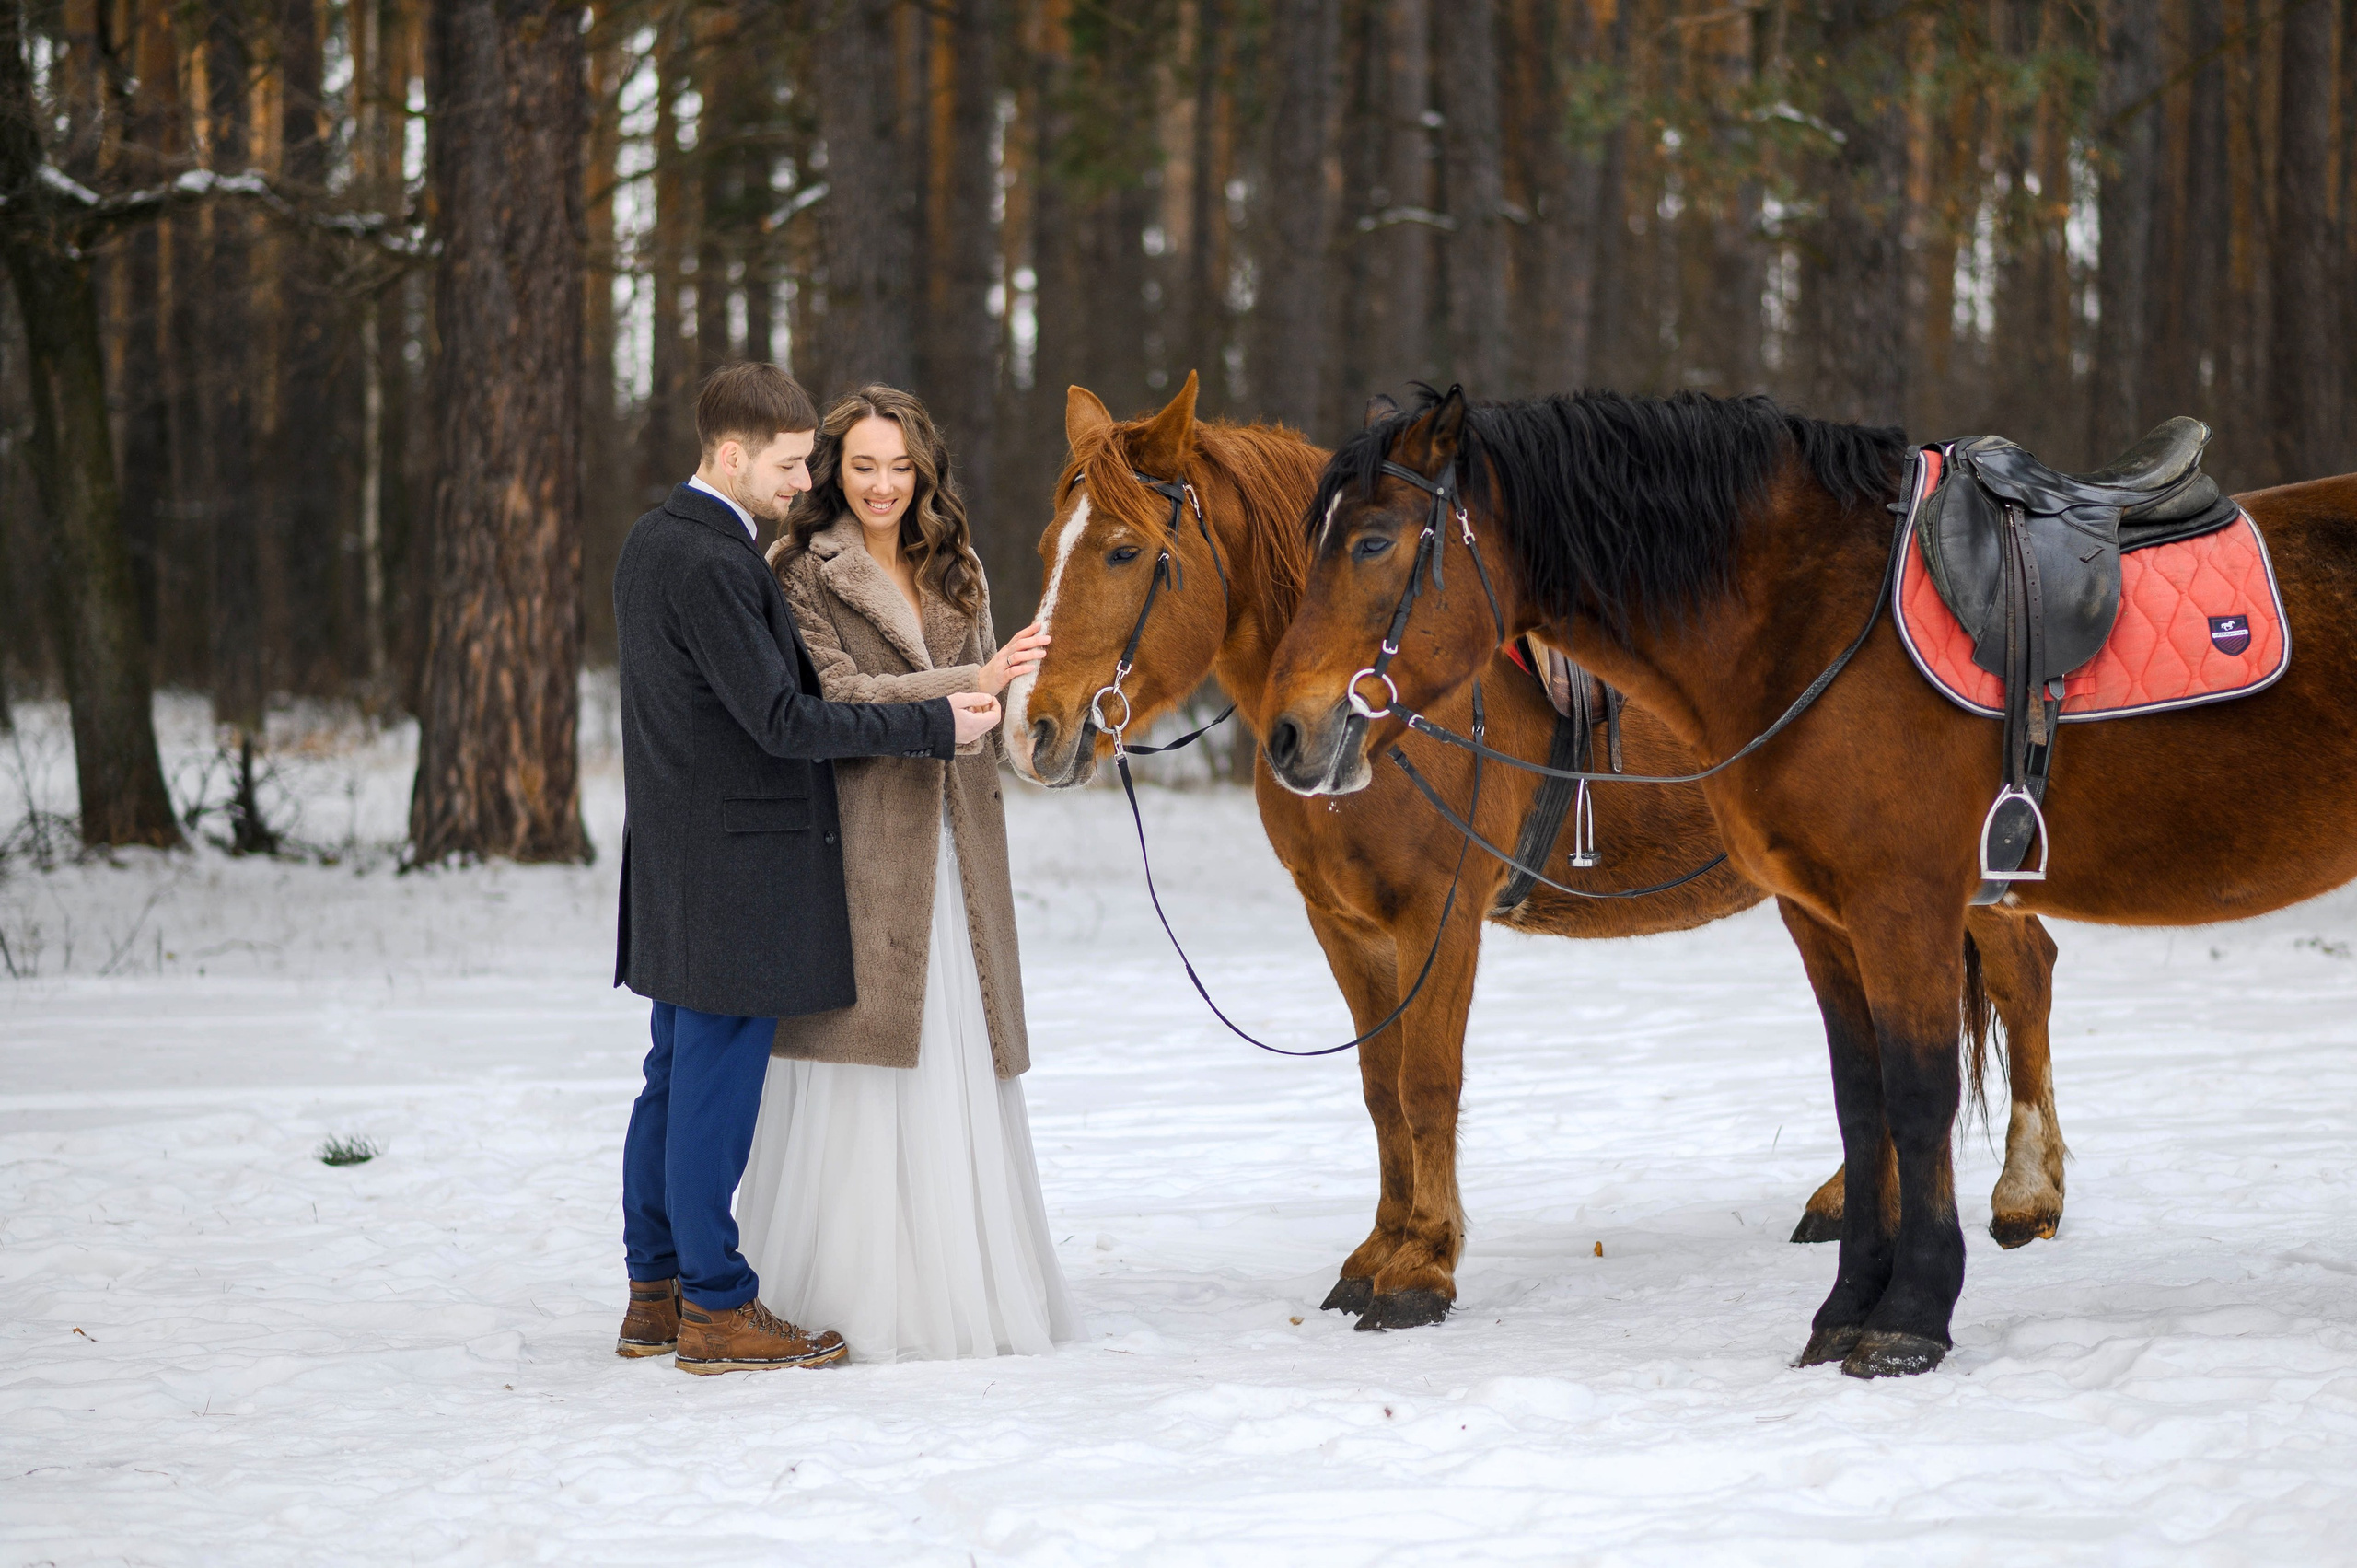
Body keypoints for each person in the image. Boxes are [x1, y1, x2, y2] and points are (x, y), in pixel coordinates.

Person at [610, 364, 1004, 1375]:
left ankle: (653, 1290)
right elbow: (782, 721)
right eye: (792, 464)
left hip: (678, 856)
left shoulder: (656, 541)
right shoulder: (713, 562)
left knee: (669, 1079)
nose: (803, 483)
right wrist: (936, 722)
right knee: (709, 1092)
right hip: (737, 869)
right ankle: (715, 1307)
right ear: (733, 454)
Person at [734, 385, 1083, 1362]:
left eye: (900, 467)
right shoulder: (798, 567)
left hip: (962, 835)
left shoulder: (956, 564)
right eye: (862, 466)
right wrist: (973, 683)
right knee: (868, 1050)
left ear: (924, 471)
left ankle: (965, 1287)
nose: (883, 485)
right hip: (864, 840)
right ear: (832, 471)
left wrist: (1044, 724)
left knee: (958, 1058)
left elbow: (1002, 695)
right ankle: (853, 1290)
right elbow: (836, 696)